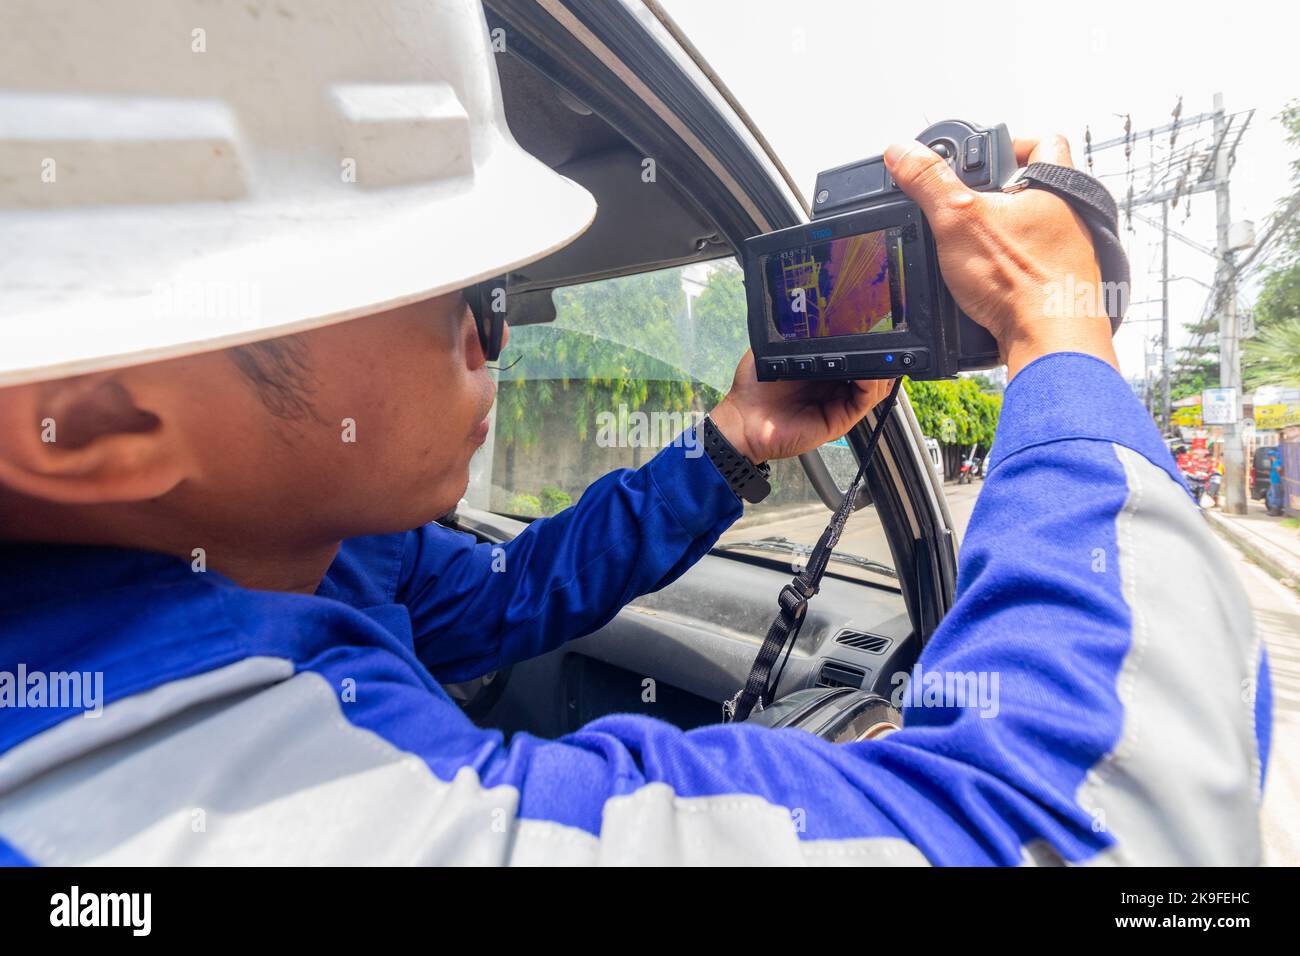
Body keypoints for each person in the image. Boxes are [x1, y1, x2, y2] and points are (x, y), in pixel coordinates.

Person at [0, 0, 1269, 866]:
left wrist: (728, 445)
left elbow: (508, 592)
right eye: (464, 297)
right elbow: (1108, 820)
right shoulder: (178, 807)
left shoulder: (303, 550)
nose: (493, 336)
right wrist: (1061, 340)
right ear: (95, 421)